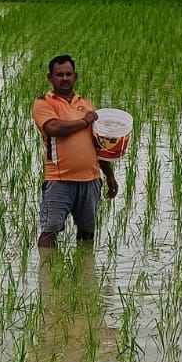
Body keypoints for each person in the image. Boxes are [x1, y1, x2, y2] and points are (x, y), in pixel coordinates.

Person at [31, 54, 117, 249]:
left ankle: (85, 266)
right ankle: (46, 268)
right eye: (59, 74)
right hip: (59, 179)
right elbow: (53, 128)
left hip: (90, 180)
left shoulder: (86, 104)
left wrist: (110, 176)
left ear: (75, 76)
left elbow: (99, 145)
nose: (64, 78)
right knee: (50, 231)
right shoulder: (43, 103)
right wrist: (84, 121)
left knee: (87, 233)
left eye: (68, 74)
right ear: (50, 78)